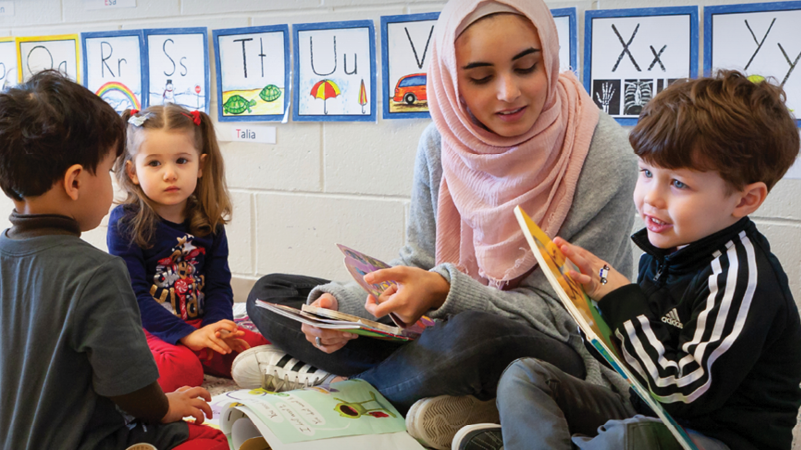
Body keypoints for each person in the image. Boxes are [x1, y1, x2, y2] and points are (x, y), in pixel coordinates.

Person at [235, 1, 638, 448]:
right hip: (443, 330)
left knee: (474, 338)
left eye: (527, 67)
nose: (509, 92)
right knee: (271, 294)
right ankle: (446, 397)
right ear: (450, 80)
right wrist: (340, 307)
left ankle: (335, 391)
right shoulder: (441, 141)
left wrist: (444, 292)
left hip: (556, 350)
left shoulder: (602, 152)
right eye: (481, 77)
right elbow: (420, 260)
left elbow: (563, 316)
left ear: (550, 55)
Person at [456, 70, 801, 450]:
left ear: (744, 200)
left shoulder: (741, 276)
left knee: (624, 440)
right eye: (647, 172)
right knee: (524, 375)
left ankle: (532, 441)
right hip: (652, 415)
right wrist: (595, 303)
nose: (650, 198)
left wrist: (622, 299)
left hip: (716, 437)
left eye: (678, 184)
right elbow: (637, 362)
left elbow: (679, 392)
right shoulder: (667, 251)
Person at [0, 70, 227, 450]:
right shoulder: (98, 274)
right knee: (210, 439)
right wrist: (165, 406)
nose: (113, 182)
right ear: (75, 182)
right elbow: (131, 389)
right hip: (87, 439)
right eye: (107, 171)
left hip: (5, 437)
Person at [107, 104, 270, 394]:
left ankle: (202, 351)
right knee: (181, 370)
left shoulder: (208, 220)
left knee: (260, 349)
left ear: (201, 166)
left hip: (196, 323)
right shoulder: (125, 223)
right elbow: (132, 297)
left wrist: (217, 327)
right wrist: (185, 336)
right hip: (148, 329)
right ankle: (185, 358)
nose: (169, 174)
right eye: (154, 163)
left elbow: (219, 286)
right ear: (132, 171)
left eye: (181, 160)